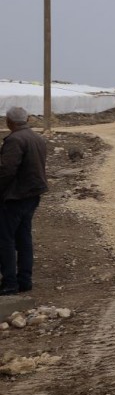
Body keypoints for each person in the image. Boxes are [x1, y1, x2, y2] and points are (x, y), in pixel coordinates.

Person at [0, 106, 49, 295]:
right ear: (27, 119)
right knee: (24, 239)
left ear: (9, 122)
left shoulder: (14, 140)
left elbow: (6, 171)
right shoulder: (37, 138)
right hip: (32, 196)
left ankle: (10, 283)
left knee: (5, 240)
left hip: (15, 197)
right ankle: (25, 280)